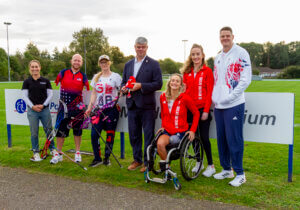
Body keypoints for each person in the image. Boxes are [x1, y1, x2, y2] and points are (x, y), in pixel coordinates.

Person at [212, 26, 252, 187]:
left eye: (227, 36)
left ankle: (240, 173)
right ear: (220, 38)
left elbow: (245, 79)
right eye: (222, 36)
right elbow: (217, 81)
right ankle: (226, 169)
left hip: (234, 104)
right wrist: (216, 99)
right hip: (219, 105)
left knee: (234, 139)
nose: (225, 38)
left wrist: (230, 97)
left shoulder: (241, 53)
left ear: (233, 36)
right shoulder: (218, 56)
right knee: (221, 138)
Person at [121, 37, 163, 173]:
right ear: (134, 47)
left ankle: (147, 162)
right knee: (134, 134)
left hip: (147, 106)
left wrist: (141, 86)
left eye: (143, 47)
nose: (140, 49)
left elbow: (158, 84)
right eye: (138, 47)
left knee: (148, 135)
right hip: (132, 105)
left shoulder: (154, 64)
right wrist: (124, 88)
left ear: (147, 48)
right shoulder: (128, 65)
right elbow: (124, 82)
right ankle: (137, 160)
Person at [181, 44, 215, 177]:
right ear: (191, 56)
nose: (195, 57)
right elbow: (183, 92)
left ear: (202, 55)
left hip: (202, 111)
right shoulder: (186, 72)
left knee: (205, 138)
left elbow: (209, 92)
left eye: (198, 54)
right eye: (193, 54)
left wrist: (206, 111)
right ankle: (198, 163)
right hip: (190, 111)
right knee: (193, 137)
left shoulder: (207, 71)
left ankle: (211, 165)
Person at [50, 54, 90, 164]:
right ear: (71, 61)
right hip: (63, 107)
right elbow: (56, 84)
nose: (77, 62)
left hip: (77, 108)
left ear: (81, 63)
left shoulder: (83, 76)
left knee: (77, 131)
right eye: (75, 60)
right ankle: (58, 154)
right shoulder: (63, 72)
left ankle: (77, 153)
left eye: (79, 60)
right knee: (61, 131)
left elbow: (87, 90)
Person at [157, 73, 200, 171]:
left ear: (180, 85)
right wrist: (163, 126)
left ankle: (165, 165)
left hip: (180, 132)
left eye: (177, 81)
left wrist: (192, 130)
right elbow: (163, 114)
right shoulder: (163, 96)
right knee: (159, 144)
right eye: (172, 80)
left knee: (172, 141)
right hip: (167, 130)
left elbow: (196, 113)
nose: (174, 83)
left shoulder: (185, 98)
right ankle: (167, 168)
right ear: (169, 83)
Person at [85, 55, 122, 167]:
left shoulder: (116, 77)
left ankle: (107, 158)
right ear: (99, 64)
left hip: (111, 110)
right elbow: (94, 93)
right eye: (102, 62)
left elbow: (121, 91)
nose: (104, 64)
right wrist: (89, 107)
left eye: (106, 62)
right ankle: (97, 158)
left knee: (110, 135)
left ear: (109, 63)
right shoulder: (96, 77)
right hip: (98, 110)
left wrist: (117, 102)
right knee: (94, 134)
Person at [22, 60, 55, 161]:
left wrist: (43, 105)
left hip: (44, 110)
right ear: (29, 69)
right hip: (32, 111)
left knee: (49, 130)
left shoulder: (46, 81)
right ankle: (36, 152)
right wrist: (32, 106)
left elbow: (50, 95)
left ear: (40, 68)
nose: (34, 69)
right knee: (34, 132)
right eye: (32, 67)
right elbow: (24, 96)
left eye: (36, 66)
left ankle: (52, 149)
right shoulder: (27, 82)